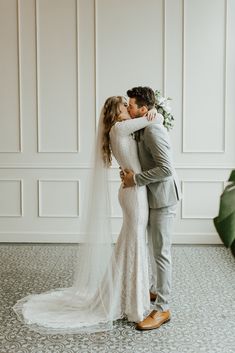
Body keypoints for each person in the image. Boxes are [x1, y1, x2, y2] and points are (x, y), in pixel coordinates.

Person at [13, 95, 163, 333]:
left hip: (133, 191)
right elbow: (154, 118)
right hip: (133, 195)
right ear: (116, 112)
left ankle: (128, 297)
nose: (128, 107)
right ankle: (134, 305)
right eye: (124, 105)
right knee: (133, 244)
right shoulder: (121, 128)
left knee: (130, 244)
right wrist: (155, 113)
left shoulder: (119, 130)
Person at [122, 86, 181, 331]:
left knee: (161, 252)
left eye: (131, 105)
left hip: (164, 199)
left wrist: (135, 179)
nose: (127, 108)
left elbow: (166, 169)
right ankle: (155, 291)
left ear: (143, 109)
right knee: (156, 249)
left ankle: (163, 308)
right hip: (152, 197)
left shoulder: (153, 130)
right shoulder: (142, 125)